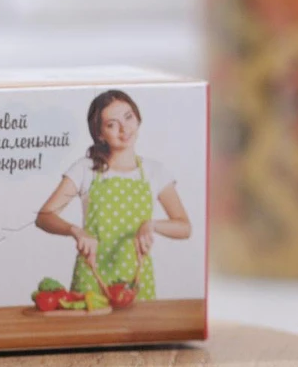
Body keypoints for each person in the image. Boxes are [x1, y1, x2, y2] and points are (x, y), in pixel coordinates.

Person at [36, 90, 192, 299]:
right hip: (91, 278)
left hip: (137, 280)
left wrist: (152, 225)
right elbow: (44, 216)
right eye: (112, 124)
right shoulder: (85, 169)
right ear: (100, 133)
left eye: (128, 117)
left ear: (138, 119)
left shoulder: (155, 171)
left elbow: (184, 227)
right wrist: (76, 231)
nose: (124, 129)